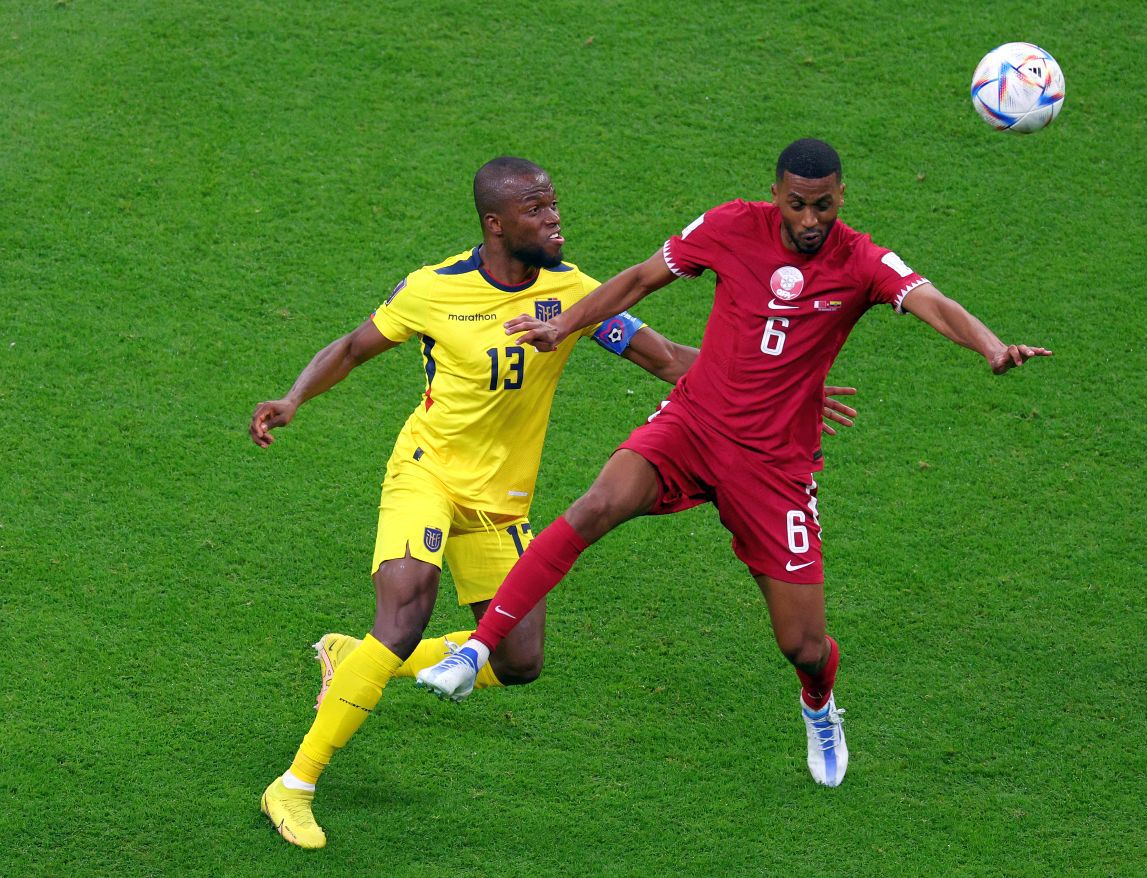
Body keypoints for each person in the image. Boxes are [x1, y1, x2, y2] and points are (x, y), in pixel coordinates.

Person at [252, 155, 860, 848]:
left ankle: (354, 660)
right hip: (426, 475)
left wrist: (786, 387)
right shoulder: (433, 289)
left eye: (554, 205)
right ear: (497, 224)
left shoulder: (569, 297)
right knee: (404, 609)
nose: (555, 219)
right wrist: (294, 397)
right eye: (538, 211)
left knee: (518, 662)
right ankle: (294, 785)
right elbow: (354, 347)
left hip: (501, 504)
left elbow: (664, 357)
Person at [416, 139, 1053, 789]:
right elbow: (639, 279)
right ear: (776, 195)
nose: (811, 220)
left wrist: (990, 345)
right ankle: (476, 648)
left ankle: (819, 705)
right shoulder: (728, 227)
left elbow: (933, 302)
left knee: (803, 645)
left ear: (841, 199)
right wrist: (564, 324)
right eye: (799, 205)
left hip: (775, 469)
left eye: (824, 206)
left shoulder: (862, 261)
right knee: (596, 505)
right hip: (692, 425)